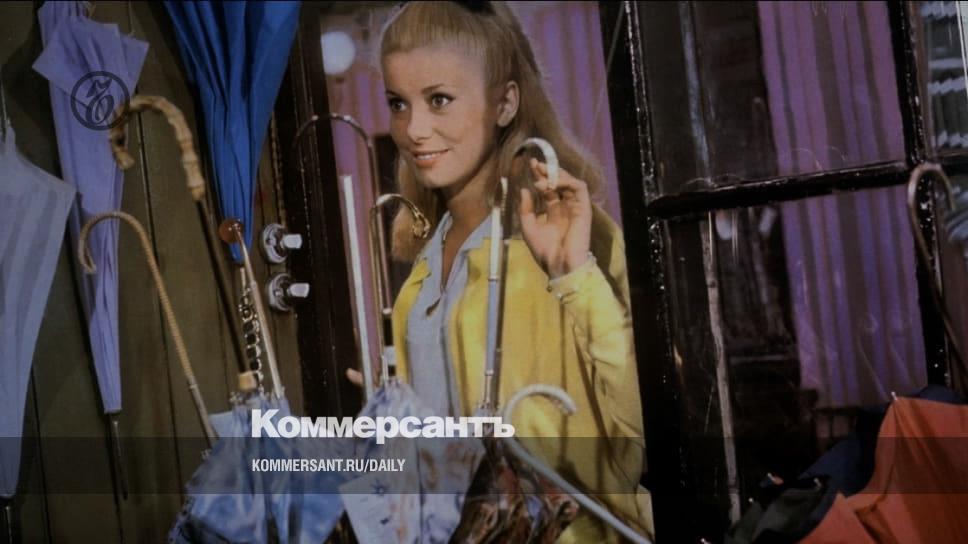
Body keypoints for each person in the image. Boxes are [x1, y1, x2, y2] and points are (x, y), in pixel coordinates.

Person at [350, 2, 652, 541]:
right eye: (398, 103)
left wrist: (575, 277)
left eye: (439, 100)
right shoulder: (421, 275)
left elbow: (646, 423)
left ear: (505, 103)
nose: (414, 129)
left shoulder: (568, 237)